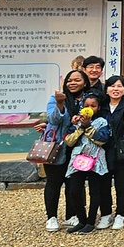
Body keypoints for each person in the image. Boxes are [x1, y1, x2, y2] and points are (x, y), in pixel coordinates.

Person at [37, 69, 89, 232]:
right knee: (54, 183)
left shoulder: (86, 99)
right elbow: (53, 119)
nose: (72, 83)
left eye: (77, 80)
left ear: (85, 83)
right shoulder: (56, 98)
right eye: (69, 80)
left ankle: (71, 215)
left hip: (79, 148)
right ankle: (51, 217)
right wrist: (60, 104)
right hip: (58, 147)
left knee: (74, 183)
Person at [64, 93, 111, 234]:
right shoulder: (76, 122)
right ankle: (81, 219)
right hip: (78, 159)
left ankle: (90, 222)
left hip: (95, 159)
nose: (89, 108)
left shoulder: (102, 121)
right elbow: (69, 141)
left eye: (93, 106)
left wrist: (88, 126)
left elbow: (102, 139)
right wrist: (80, 127)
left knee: (95, 191)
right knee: (74, 190)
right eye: (86, 106)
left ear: (98, 107)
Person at [99, 76, 124, 230]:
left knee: (122, 184)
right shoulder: (101, 107)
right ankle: (105, 214)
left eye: (119, 86)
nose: (116, 89)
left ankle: (120, 214)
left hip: (122, 151)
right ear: (107, 89)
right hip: (103, 150)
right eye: (112, 86)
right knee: (103, 184)